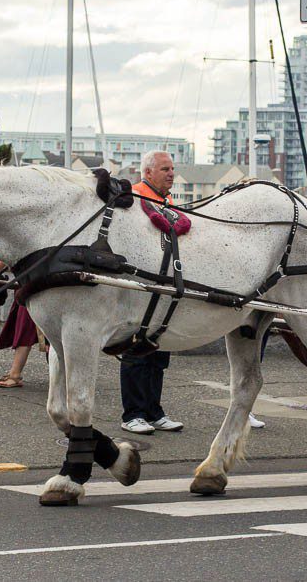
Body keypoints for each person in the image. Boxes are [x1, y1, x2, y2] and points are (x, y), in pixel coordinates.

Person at [120, 151, 184, 435]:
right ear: (148, 173)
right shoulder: (136, 198)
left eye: (172, 169)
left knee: (158, 354)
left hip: (163, 282)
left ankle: (154, 411)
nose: (171, 173)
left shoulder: (166, 200)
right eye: (165, 169)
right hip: (141, 286)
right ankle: (133, 414)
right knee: (136, 352)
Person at [0, 261, 47, 388]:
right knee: (24, 325)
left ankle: (15, 374)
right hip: (30, 280)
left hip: (38, 280)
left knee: (26, 326)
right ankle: (15, 373)